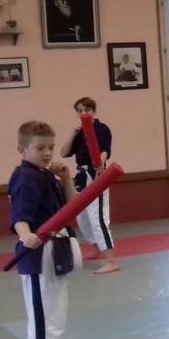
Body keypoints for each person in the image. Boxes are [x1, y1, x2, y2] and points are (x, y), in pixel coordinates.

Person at [8, 120, 82, 339]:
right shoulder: (25, 177)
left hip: (56, 251)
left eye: (50, 147)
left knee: (56, 318)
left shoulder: (46, 174)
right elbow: (19, 216)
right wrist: (26, 235)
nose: (48, 153)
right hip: (39, 256)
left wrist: (66, 178)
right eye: (40, 148)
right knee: (43, 323)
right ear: (22, 149)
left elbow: (73, 207)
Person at [60, 97, 118, 275]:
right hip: (81, 176)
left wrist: (100, 163)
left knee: (97, 217)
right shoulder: (80, 132)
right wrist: (73, 134)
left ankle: (111, 260)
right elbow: (64, 152)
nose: (83, 113)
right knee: (82, 216)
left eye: (87, 110)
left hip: (96, 176)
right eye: (79, 111)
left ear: (94, 111)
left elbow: (105, 149)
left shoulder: (101, 128)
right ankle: (96, 247)